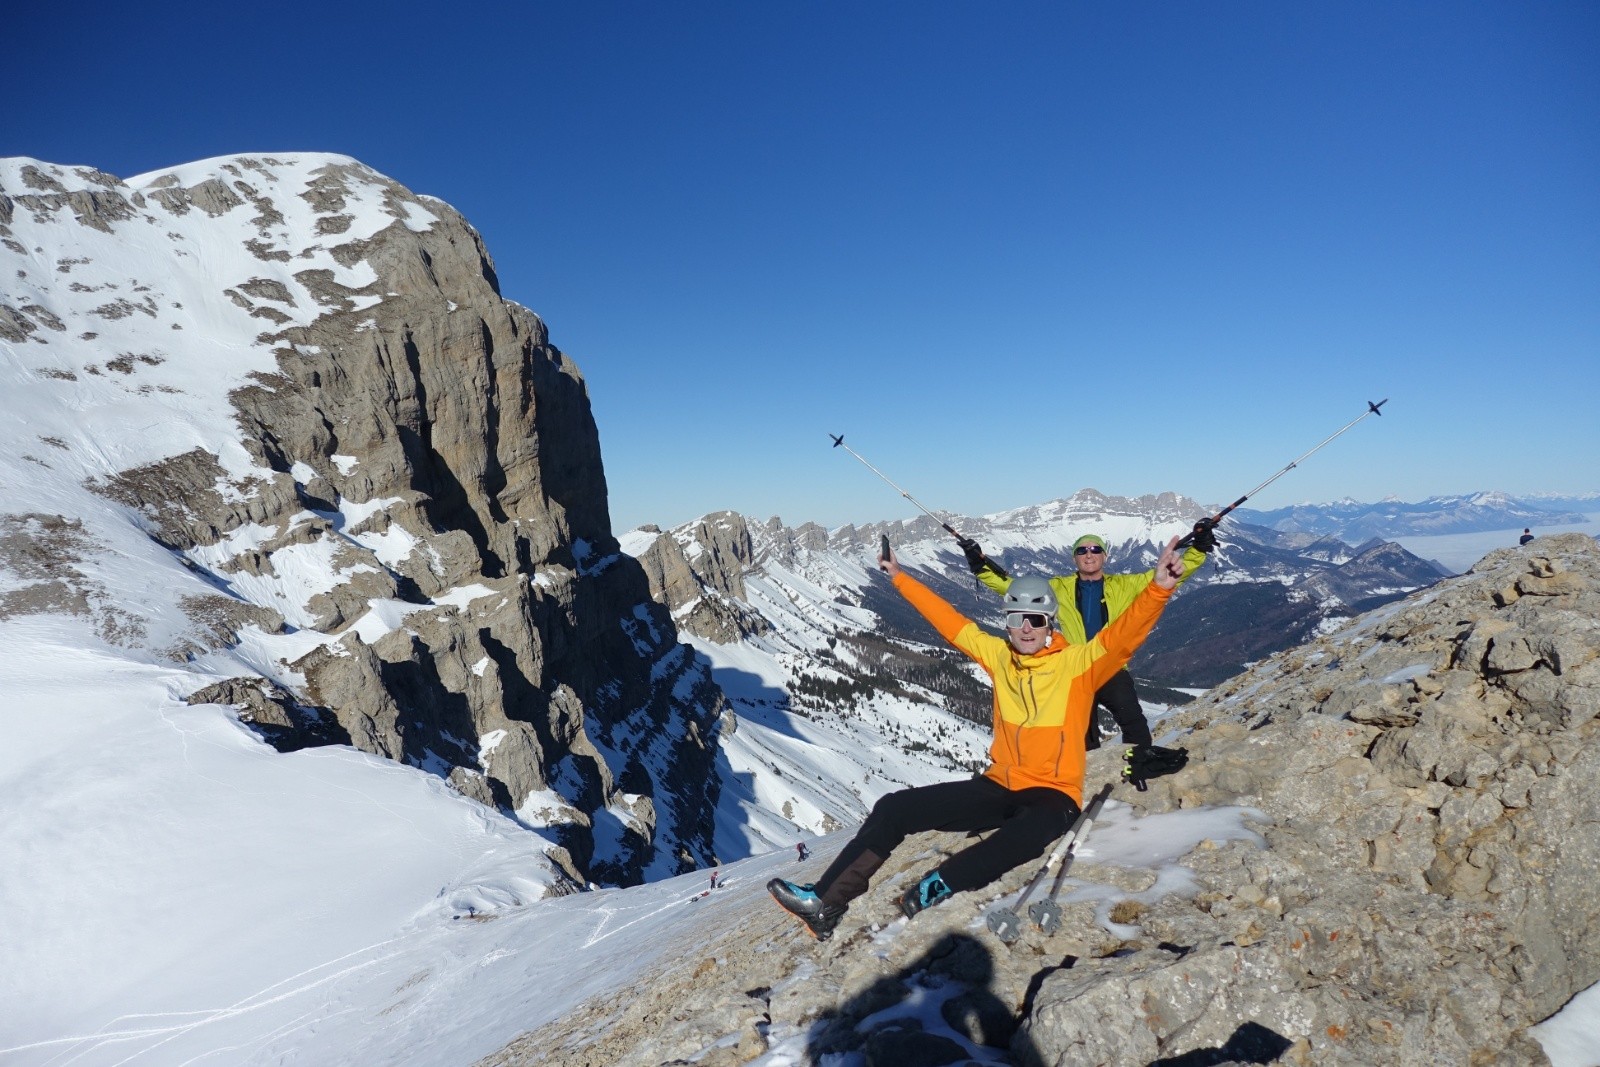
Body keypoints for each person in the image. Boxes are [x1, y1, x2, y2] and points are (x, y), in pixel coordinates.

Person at [766, 535, 1188, 941]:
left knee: (1024, 837)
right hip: (998, 784)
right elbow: (950, 623)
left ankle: (939, 886)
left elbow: (1123, 638)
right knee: (895, 807)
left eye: (1035, 620)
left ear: (1049, 624)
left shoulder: (1079, 663)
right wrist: (898, 577)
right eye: (1016, 619)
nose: (1025, 629)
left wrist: (1158, 590)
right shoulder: (998, 656)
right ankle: (825, 904)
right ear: (1006, 623)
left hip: (1054, 794)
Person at [960, 521, 1215, 754]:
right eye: (1082, 551)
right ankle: (1088, 781)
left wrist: (1198, 550)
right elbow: (1012, 588)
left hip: (1110, 666)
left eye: (1095, 549)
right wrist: (980, 567)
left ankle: (1139, 767)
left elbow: (1170, 575)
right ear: (1075, 558)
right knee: (1082, 735)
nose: (1088, 554)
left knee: (1134, 725)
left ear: (1104, 555)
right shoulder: (1058, 588)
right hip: (1075, 666)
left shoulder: (1127, 585)